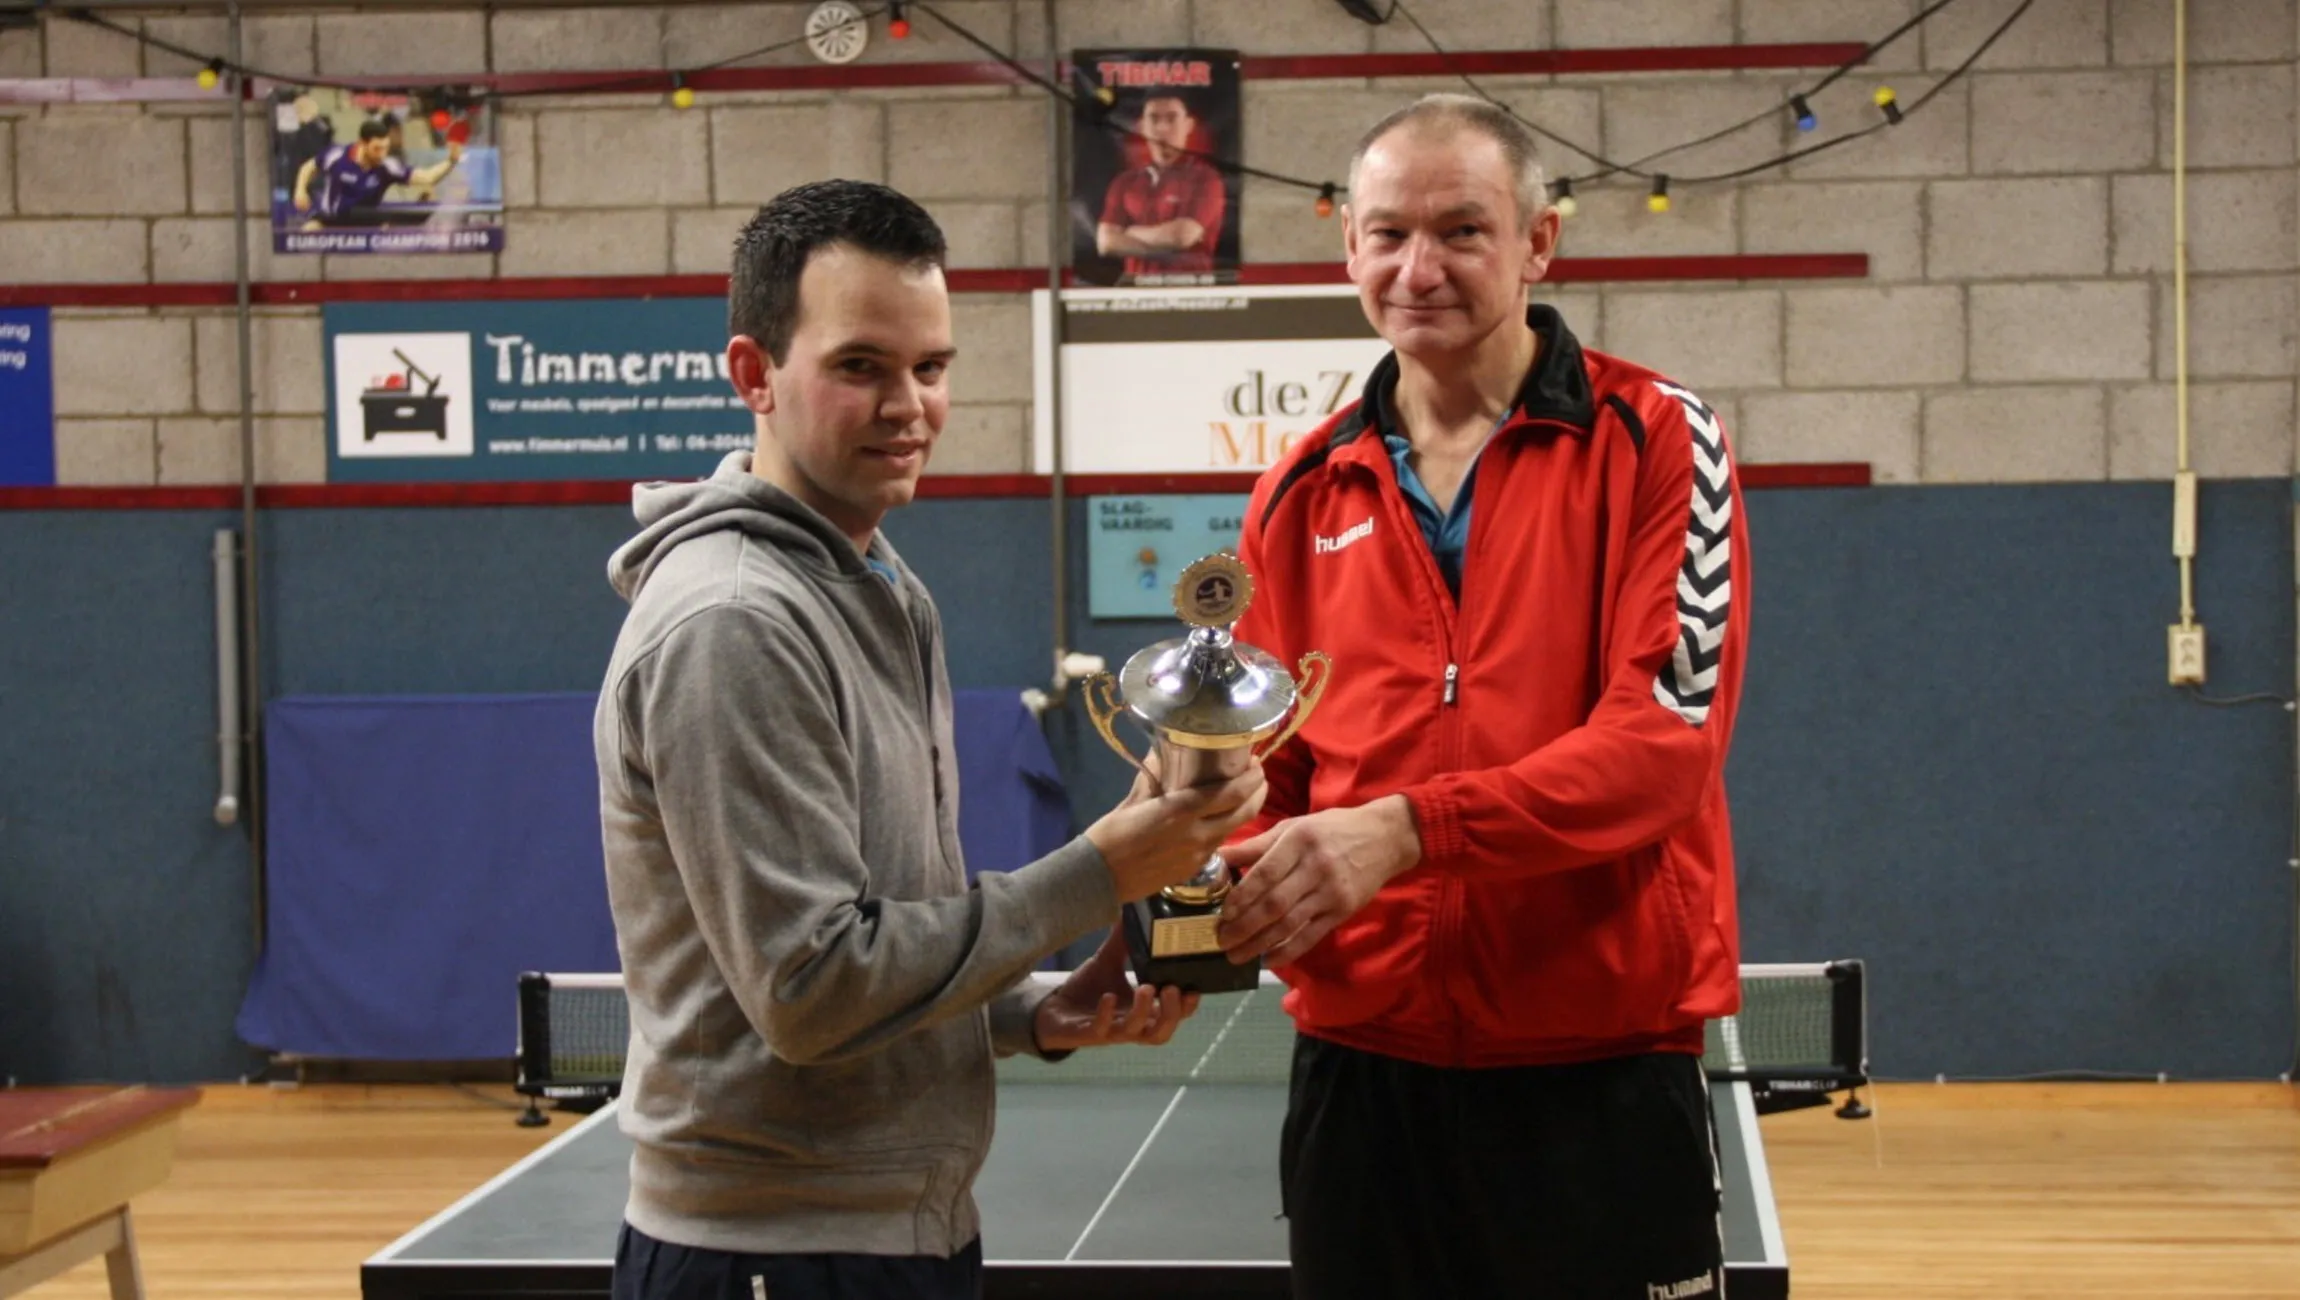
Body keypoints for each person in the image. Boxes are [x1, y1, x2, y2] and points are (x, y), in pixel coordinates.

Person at [594, 179, 1267, 1300]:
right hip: (773, 1252)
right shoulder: (734, 624)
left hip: (888, 1229)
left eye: (931, 367)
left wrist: (1029, 1013)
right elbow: (811, 991)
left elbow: (874, 935)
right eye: (860, 365)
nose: (908, 404)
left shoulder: (879, 584)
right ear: (753, 376)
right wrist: (1098, 873)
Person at [1211, 93, 1752, 1298]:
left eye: (1461, 230)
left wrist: (1407, 831)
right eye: (1387, 232)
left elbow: (1659, 747)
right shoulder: (1297, 491)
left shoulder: (1656, 438)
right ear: (1346, 245)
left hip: (1598, 1070)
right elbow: (1269, 767)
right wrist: (1210, 871)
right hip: (1361, 1074)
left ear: (1535, 245)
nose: (1420, 267)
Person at [1094, 92, 1226, 283]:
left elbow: (1181, 236)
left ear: (1188, 125)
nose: (1163, 128)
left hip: (1192, 296)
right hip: (1137, 297)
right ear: (1142, 126)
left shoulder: (1206, 178)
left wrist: (1130, 232)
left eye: (1172, 119)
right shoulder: (1124, 182)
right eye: (1154, 119)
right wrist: (1165, 249)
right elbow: (1106, 242)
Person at [292, 118, 460, 227]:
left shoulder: (387, 166)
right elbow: (308, 167)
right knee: (309, 230)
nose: (382, 154)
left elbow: (427, 177)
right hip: (329, 220)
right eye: (377, 149)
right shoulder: (337, 155)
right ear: (362, 144)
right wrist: (300, 190)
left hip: (367, 224)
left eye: (386, 148)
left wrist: (451, 161)